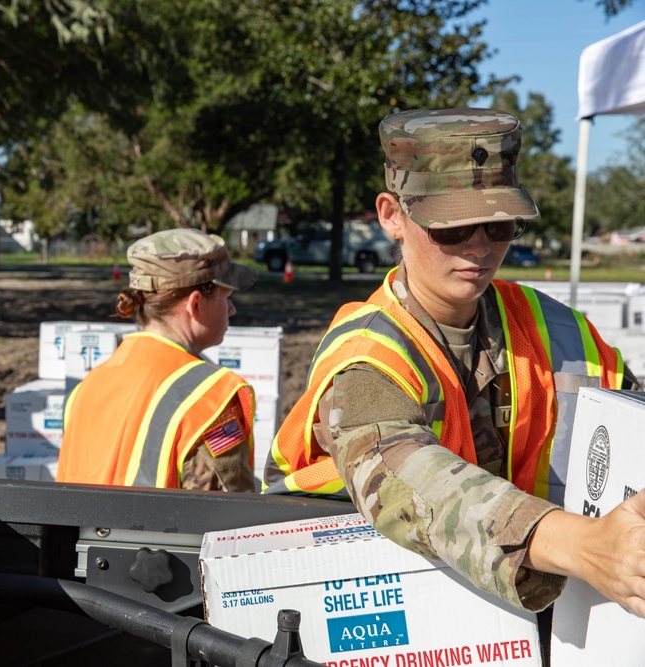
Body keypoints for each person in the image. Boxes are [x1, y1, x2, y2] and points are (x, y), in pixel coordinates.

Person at [264, 108, 645, 623]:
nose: (481, 247)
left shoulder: (561, 329)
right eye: (453, 227)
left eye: (499, 224)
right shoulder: (368, 357)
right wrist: (584, 545)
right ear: (391, 215)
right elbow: (414, 485)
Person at [56, 228, 259, 492]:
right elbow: (226, 516)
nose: (232, 309)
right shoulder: (209, 397)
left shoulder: (87, 386)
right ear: (195, 304)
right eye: (226, 298)